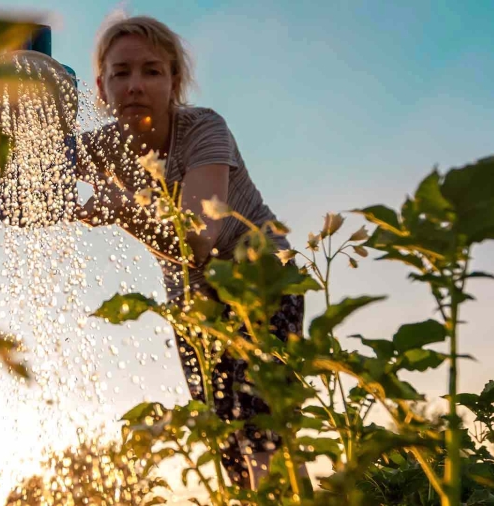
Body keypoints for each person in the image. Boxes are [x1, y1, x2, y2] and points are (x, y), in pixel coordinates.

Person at [75, 16, 306, 490]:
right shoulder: (102, 148)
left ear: (174, 80)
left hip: (262, 280)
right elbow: (28, 185)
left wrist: (122, 209)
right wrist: (18, 108)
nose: (135, 85)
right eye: (121, 73)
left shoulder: (203, 129)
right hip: (196, 307)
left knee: (264, 428)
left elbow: (199, 240)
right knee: (228, 440)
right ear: (101, 85)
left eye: (152, 71)